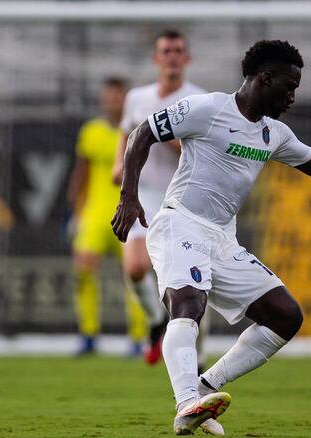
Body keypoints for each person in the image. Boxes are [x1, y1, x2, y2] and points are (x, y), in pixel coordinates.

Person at [111, 39, 311, 435]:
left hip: (222, 238)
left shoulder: (275, 134)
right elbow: (141, 134)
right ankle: (186, 402)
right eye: (288, 87)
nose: (292, 96)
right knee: (187, 302)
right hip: (179, 222)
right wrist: (129, 196)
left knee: (286, 317)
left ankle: (205, 387)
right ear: (265, 78)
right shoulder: (208, 109)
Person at [111, 29, 208, 367]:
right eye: (166, 50)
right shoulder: (137, 97)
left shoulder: (198, 100)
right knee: (135, 267)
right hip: (143, 194)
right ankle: (156, 322)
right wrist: (117, 164)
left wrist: (168, 134)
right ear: (156, 58)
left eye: (178, 50)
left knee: (191, 283)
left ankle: (197, 358)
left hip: (181, 199)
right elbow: (126, 133)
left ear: (187, 58)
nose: (172, 56)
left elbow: (201, 149)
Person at [66, 77, 148, 356]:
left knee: (134, 274)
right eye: (109, 96)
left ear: (126, 100)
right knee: (84, 269)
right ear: (103, 99)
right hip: (95, 212)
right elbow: (81, 174)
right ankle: (88, 334)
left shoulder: (137, 130)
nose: (113, 101)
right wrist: (75, 212)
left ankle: (138, 338)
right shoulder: (91, 131)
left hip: (128, 211)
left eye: (118, 97)